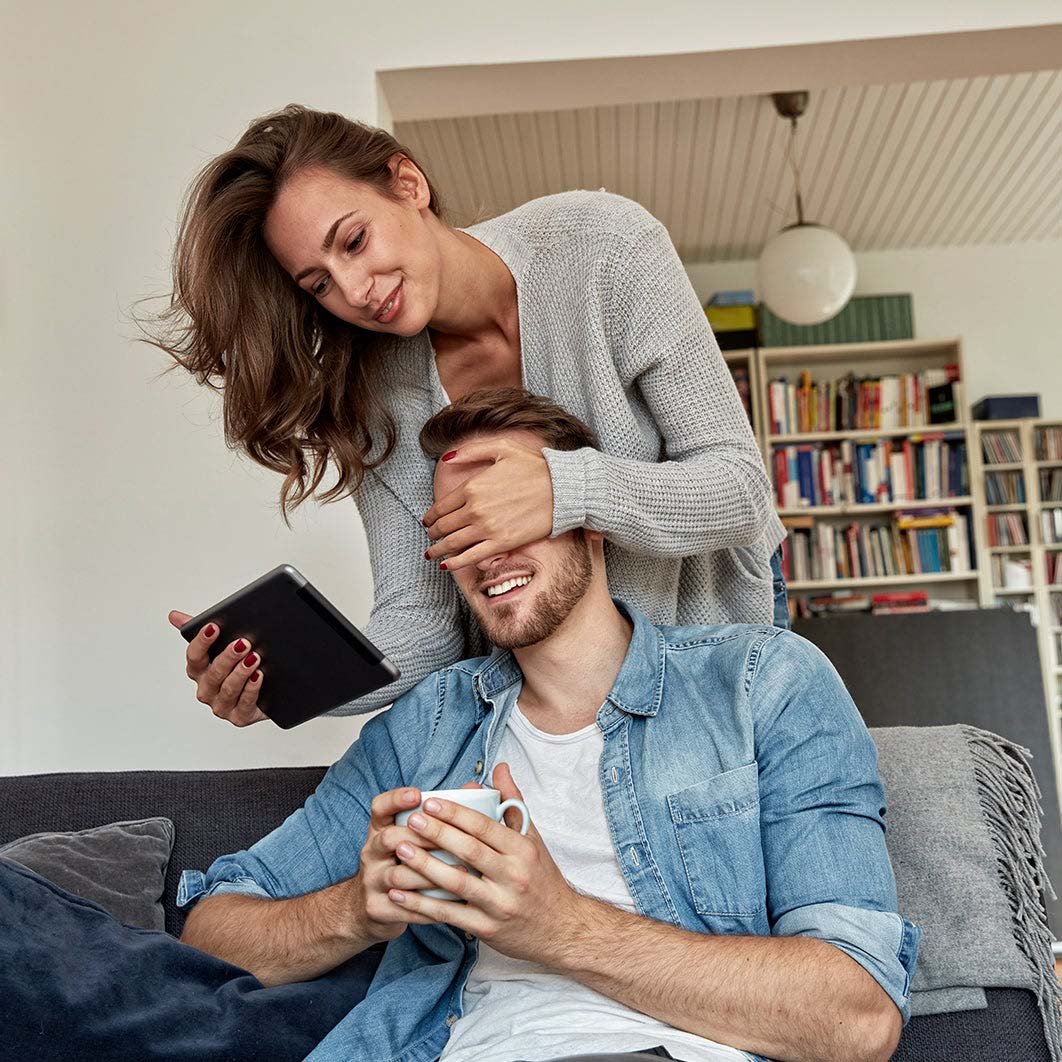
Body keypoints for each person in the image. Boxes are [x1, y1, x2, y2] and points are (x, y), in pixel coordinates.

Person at [176, 390, 918, 1062]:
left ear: (587, 521)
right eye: (456, 530)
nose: (484, 550)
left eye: (505, 513)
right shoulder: (426, 727)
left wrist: (558, 926)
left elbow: (858, 1018)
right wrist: (358, 909)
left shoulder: (764, 684)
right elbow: (213, 934)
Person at [147, 103, 789, 729]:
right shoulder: (372, 396)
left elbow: (740, 491)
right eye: (319, 284)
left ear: (408, 183)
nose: (355, 291)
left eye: (355, 240)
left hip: (708, 630)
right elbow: (423, 624)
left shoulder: (604, 247)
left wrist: (563, 489)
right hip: (548, 694)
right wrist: (296, 680)